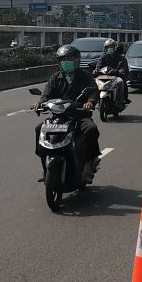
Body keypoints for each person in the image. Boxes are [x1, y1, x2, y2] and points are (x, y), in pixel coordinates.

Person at [35, 44, 102, 181]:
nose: (65, 63)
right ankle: (45, 167)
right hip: (59, 116)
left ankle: (90, 162)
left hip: (79, 115)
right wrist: (40, 104)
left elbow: (93, 92)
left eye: (69, 59)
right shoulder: (55, 77)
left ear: (77, 60)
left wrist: (90, 102)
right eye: (62, 60)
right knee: (39, 129)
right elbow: (46, 94)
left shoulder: (86, 76)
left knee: (91, 129)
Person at [94, 38, 131, 105]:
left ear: (114, 47)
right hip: (104, 76)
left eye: (111, 47)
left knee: (121, 82)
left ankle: (123, 99)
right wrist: (96, 70)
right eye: (108, 47)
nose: (109, 48)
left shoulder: (121, 57)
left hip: (116, 76)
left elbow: (124, 67)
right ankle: (93, 99)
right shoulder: (103, 57)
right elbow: (98, 66)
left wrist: (121, 71)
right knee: (95, 82)